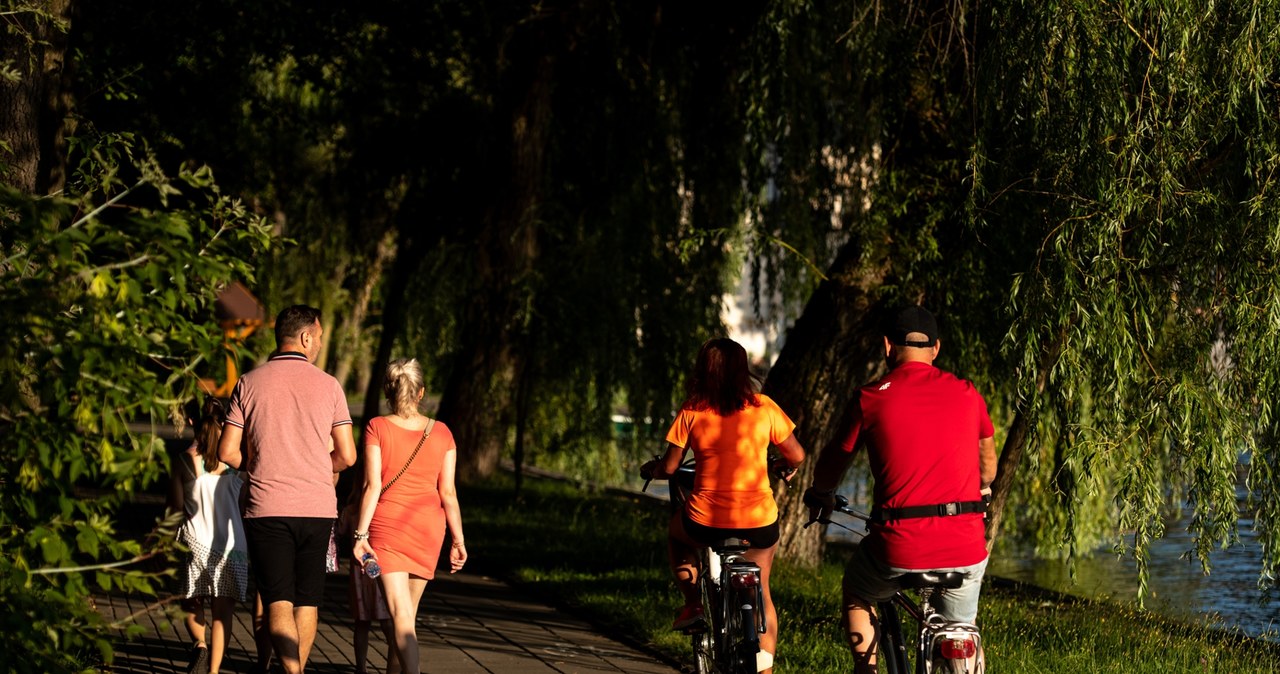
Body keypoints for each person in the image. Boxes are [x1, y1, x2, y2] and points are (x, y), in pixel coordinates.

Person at [803, 306, 997, 674]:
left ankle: (867, 670)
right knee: (962, 627)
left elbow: (834, 460)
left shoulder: (870, 397)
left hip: (898, 545)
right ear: (935, 349)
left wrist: (822, 493)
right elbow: (987, 461)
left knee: (859, 590)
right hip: (965, 544)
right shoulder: (968, 393)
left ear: (887, 346)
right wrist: (983, 488)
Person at [641, 338, 805, 674]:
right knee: (763, 588)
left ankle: (692, 604)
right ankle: (765, 668)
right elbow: (797, 455)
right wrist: (779, 464)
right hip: (759, 523)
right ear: (742, 371)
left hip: (705, 522)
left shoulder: (692, 410)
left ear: (703, 371)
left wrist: (653, 468)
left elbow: (670, 468)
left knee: (677, 534)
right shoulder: (764, 407)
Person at [217, 304, 357, 674]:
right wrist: (317, 467)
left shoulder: (249, 382)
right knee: (307, 603)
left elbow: (227, 451)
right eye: (321, 337)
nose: (321, 345)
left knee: (277, 602)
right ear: (306, 337)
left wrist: (261, 464)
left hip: (267, 508)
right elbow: (347, 454)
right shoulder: (329, 386)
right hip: (317, 508)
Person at [352, 358, 467, 674]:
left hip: (386, 530)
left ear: (389, 391)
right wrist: (458, 540)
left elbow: (372, 485)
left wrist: (360, 536)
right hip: (429, 530)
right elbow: (449, 493)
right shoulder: (442, 433)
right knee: (405, 618)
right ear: (421, 392)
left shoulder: (377, 426)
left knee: (400, 616)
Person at [167, 397, 248, 674]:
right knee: (223, 615)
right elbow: (245, 505)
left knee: (190, 602)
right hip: (231, 548)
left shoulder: (183, 461)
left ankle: (199, 645)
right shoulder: (239, 465)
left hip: (193, 544)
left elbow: (176, 508)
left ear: (193, 422)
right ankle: (213, 672)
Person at [337, 480, 392, 674]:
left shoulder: (351, 511)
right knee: (389, 622)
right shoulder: (381, 509)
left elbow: (339, 531)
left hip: (359, 577)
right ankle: (395, 664)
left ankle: (361, 668)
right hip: (381, 574)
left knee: (361, 624)